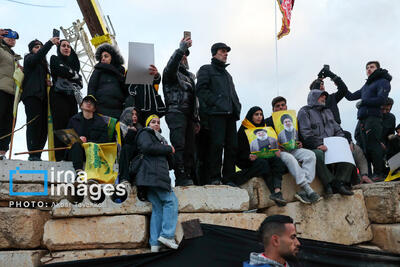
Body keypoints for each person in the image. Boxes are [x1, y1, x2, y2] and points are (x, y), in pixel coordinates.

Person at [196, 42, 241, 185]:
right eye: (223, 51)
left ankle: (229, 178)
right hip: (215, 114)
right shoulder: (206, 69)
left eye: (226, 51)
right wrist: (216, 102)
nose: (226, 53)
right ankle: (214, 177)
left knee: (232, 147)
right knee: (216, 146)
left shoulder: (228, 75)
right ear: (215, 52)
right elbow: (201, 90)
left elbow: (232, 94)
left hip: (230, 115)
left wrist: (237, 106)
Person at [135, 115, 179, 252]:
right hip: (154, 176)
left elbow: (171, 164)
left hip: (153, 178)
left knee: (158, 208)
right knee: (171, 201)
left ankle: (154, 244)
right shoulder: (145, 133)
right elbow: (147, 147)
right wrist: (167, 149)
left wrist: (169, 151)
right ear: (148, 124)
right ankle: (167, 235)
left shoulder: (160, 140)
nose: (156, 124)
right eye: (153, 122)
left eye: (158, 122)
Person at [298, 90, 354, 196]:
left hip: (332, 144)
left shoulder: (328, 111)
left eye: (324, 96)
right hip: (315, 146)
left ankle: (340, 182)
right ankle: (329, 183)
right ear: (314, 97)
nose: (324, 98)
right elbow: (305, 133)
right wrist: (317, 145)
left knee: (349, 153)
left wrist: (342, 143)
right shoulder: (304, 111)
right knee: (317, 155)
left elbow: (337, 129)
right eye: (321, 96)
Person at [265, 96, 321, 204]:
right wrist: (276, 146)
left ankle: (304, 189)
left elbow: (298, 136)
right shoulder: (268, 122)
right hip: (280, 152)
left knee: (310, 155)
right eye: (277, 106)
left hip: (294, 148)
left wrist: (299, 143)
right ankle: (308, 189)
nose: (281, 107)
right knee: (290, 158)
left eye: (283, 105)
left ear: (286, 106)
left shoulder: (293, 119)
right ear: (273, 109)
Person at [345, 61, 392, 181]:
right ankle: (368, 175)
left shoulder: (383, 81)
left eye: (372, 67)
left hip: (373, 118)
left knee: (374, 146)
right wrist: (338, 81)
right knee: (364, 148)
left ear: (377, 69)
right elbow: (350, 96)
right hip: (362, 120)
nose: (369, 69)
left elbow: (382, 99)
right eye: (367, 68)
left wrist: (364, 102)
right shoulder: (366, 86)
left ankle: (378, 173)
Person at [162, 37, 199, 186]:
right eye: (183, 54)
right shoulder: (170, 73)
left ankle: (189, 174)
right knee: (179, 145)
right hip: (175, 112)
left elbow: (194, 99)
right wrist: (180, 49)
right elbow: (171, 65)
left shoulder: (190, 77)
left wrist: (196, 119)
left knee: (190, 147)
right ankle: (180, 176)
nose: (184, 57)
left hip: (189, 116)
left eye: (186, 55)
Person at [235, 107, 287, 206]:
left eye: (261, 114)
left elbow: (271, 145)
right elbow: (238, 151)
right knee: (263, 164)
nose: (259, 117)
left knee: (277, 161)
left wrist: (275, 150)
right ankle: (275, 194)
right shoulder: (244, 129)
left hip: (265, 157)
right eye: (256, 114)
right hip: (247, 160)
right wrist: (248, 156)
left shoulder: (266, 128)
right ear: (251, 116)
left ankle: (277, 189)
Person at [21, 37, 60, 161]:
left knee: (43, 127)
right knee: (34, 124)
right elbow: (36, 58)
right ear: (31, 50)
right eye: (36, 47)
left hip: (43, 98)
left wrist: (47, 83)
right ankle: (32, 153)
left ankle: (38, 153)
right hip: (32, 96)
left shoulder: (43, 65)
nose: (39, 49)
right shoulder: (29, 59)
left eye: (40, 47)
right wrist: (49, 44)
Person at [50, 39, 82, 161]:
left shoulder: (73, 63)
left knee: (72, 125)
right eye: (63, 46)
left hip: (71, 96)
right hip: (58, 96)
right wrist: (73, 74)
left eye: (69, 46)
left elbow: (78, 77)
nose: (66, 48)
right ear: (59, 48)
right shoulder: (54, 58)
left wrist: (70, 73)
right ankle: (59, 156)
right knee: (60, 125)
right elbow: (60, 70)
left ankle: (70, 155)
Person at [66, 95, 109, 172]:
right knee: (76, 144)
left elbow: (105, 140)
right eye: (86, 101)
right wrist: (78, 139)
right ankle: (79, 172)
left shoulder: (101, 123)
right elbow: (67, 138)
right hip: (76, 153)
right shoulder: (73, 120)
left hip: (93, 152)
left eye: (91, 102)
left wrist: (88, 142)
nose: (88, 103)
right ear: (81, 105)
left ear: (94, 108)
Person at [88, 44, 126, 119]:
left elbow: (125, 90)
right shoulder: (98, 70)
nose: (103, 59)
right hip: (101, 108)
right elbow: (92, 86)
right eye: (101, 57)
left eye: (106, 56)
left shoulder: (121, 73)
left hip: (118, 110)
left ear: (113, 58)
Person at [0, 28, 22, 160]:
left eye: (14, 37)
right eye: (8, 35)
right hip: (1, 89)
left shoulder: (15, 58)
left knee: (8, 124)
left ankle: (1, 153)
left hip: (13, 95)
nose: (11, 39)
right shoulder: (1, 51)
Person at [118, 107, 143, 184]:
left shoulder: (140, 128)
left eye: (136, 114)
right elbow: (123, 143)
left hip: (136, 158)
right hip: (121, 155)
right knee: (126, 148)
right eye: (132, 114)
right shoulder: (119, 126)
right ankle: (124, 178)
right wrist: (130, 132)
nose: (135, 116)